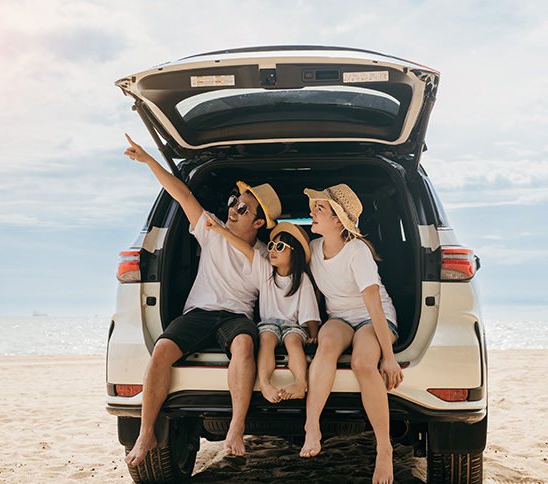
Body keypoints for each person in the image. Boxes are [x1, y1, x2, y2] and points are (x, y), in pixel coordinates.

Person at [122, 133, 282, 463]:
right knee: (162, 350)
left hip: (236, 317)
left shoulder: (266, 255)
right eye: (233, 201)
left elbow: (251, 257)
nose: (232, 208)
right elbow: (180, 194)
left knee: (243, 345)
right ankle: (147, 433)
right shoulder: (211, 229)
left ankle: (236, 428)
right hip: (199, 312)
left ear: (258, 222)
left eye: (242, 206)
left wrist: (221, 231)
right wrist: (149, 159)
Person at [299, 184, 403, 484]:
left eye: (320, 208)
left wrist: (390, 357)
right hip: (340, 318)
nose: (311, 212)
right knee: (327, 345)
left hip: (374, 317)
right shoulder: (314, 249)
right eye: (314, 207)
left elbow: (374, 307)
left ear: (338, 221)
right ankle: (312, 426)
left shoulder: (357, 252)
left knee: (362, 362)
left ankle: (384, 449)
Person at [204, 216, 320, 403]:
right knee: (266, 338)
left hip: (293, 326)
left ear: (294, 253)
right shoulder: (266, 271)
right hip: (269, 325)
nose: (273, 249)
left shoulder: (302, 280)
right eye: (272, 245)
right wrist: (221, 230)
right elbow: (247, 250)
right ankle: (264, 383)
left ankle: (300, 382)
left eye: (280, 247)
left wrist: (313, 334)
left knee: (293, 341)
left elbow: (309, 313)